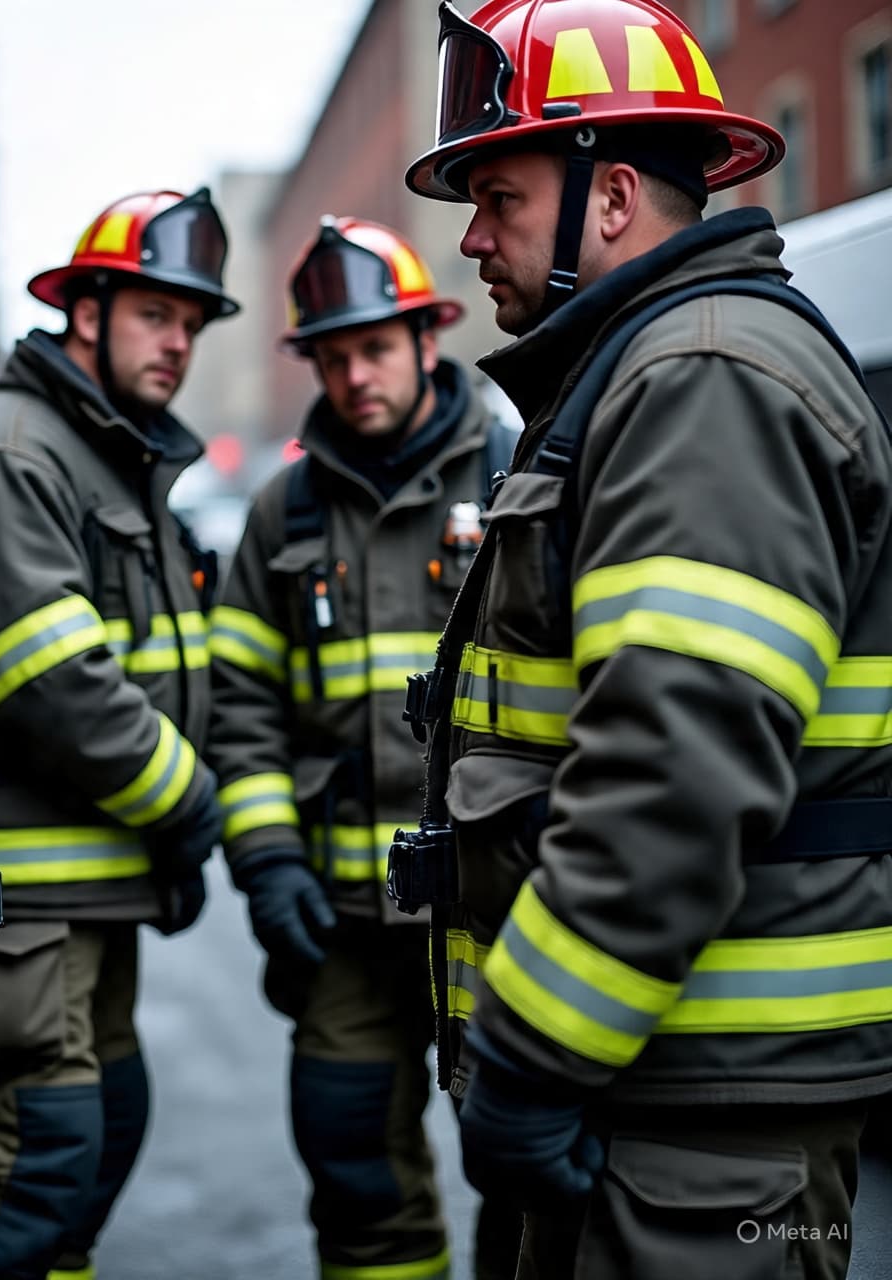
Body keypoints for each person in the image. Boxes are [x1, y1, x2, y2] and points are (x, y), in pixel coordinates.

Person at [391, 0, 892, 1276]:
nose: (469, 237)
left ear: (609, 196)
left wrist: (529, 1048)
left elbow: (672, 768)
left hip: (697, 1114)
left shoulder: (700, 380)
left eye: (495, 195)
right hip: (660, 1080)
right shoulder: (647, 372)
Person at [0, 187, 238, 1279]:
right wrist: (187, 807)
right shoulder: (11, 453)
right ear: (84, 310)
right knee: (18, 1175)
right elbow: (56, 685)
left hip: (89, 896)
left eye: (190, 323)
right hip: (22, 909)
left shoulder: (103, 455)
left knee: (90, 1149)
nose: (177, 343)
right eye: (153, 315)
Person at [207, 215, 521, 1280]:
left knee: (525, 1169)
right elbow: (238, 704)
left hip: (497, 907)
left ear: (426, 340)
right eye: (331, 354)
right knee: (352, 1163)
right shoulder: (281, 510)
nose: (353, 375)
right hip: (340, 916)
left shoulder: (516, 474)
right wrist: (265, 857)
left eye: (373, 347)